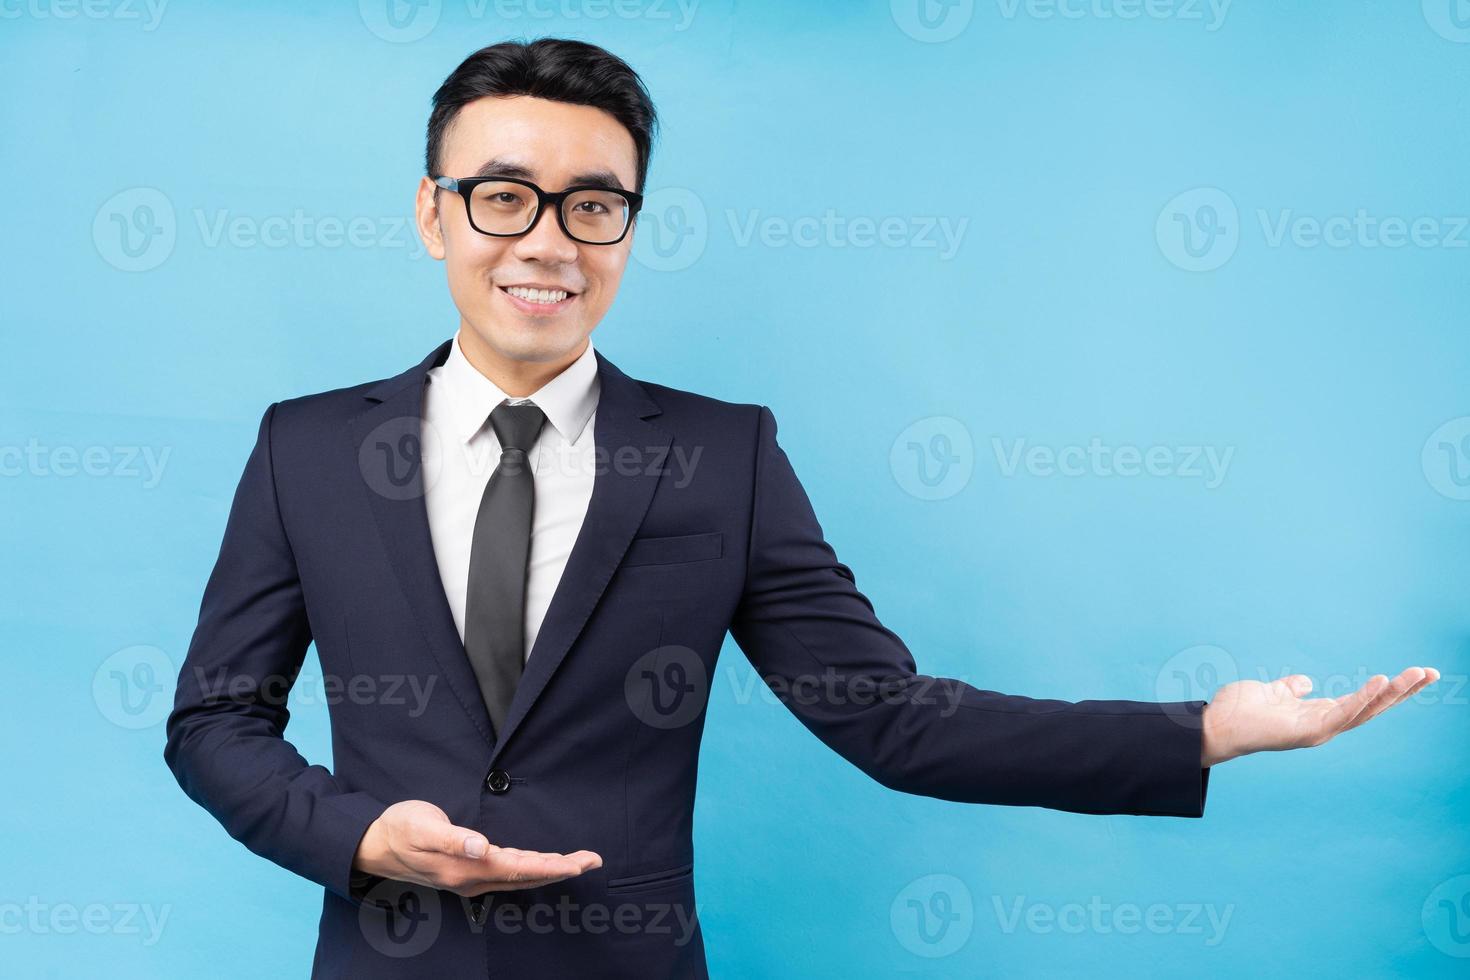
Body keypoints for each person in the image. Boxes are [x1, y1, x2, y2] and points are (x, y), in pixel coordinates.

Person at [163, 37, 1440, 979]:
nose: (547, 241)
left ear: (628, 228)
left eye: (594, 204)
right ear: (433, 215)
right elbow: (216, 718)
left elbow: (887, 717)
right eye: (504, 196)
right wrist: (361, 834)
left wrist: (1203, 728)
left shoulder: (725, 455)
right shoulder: (310, 447)